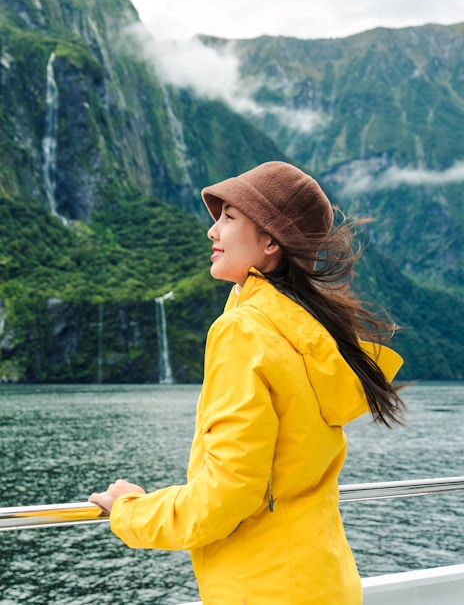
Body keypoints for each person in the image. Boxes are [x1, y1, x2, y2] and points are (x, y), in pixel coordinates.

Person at [89, 161, 405, 604]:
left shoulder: (244, 332)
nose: (212, 232)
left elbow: (226, 495)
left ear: (271, 240)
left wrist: (130, 510)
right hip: (323, 582)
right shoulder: (308, 332)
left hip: (263, 590)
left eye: (229, 217)